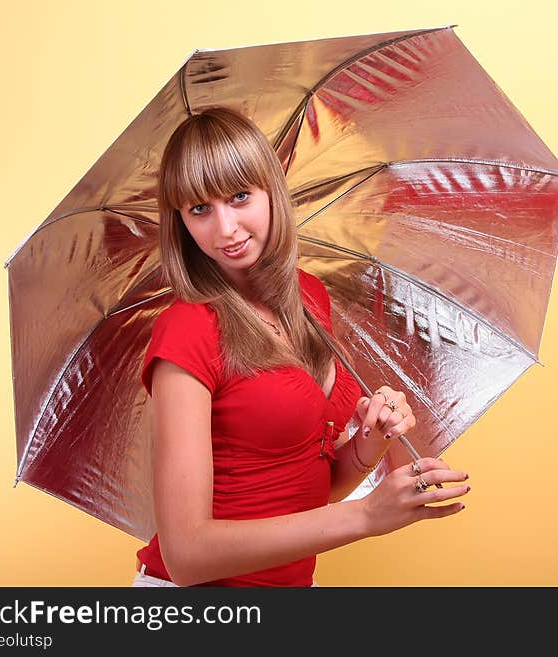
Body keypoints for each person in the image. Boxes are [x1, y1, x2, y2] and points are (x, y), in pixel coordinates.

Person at [132, 107, 470, 587]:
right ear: (180, 221)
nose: (225, 228)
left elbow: (310, 487)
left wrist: (373, 441)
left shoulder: (308, 297)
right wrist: (368, 516)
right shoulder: (188, 329)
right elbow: (187, 555)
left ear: (272, 191)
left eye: (240, 196)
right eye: (200, 209)